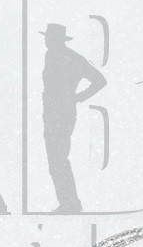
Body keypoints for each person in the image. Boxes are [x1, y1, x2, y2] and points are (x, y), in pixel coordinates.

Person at [41, 22, 106, 214]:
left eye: (49, 38)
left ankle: (71, 204)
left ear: (57, 40)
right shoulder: (51, 55)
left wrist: (78, 97)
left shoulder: (72, 58)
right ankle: (68, 203)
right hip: (53, 111)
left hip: (61, 113)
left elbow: (100, 80)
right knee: (56, 160)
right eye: (46, 37)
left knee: (58, 159)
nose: (46, 41)